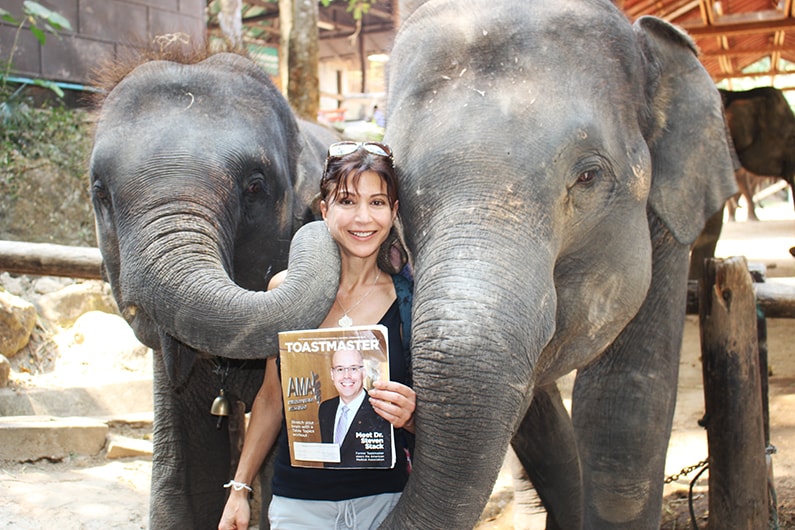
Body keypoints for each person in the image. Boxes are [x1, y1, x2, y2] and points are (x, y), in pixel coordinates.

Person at [218, 141, 415, 530]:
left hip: (387, 503)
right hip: (300, 504)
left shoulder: (409, 300)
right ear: (324, 210)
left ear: (394, 213)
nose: (363, 218)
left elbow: (437, 416)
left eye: (377, 203)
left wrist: (411, 416)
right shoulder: (286, 290)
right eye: (346, 201)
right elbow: (272, 398)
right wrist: (239, 490)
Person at [318, 348, 393, 468]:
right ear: (332, 374)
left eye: (353, 368)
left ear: (363, 372)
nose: (346, 376)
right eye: (340, 369)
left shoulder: (381, 408)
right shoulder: (325, 409)